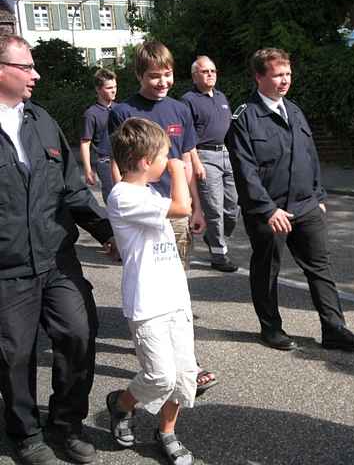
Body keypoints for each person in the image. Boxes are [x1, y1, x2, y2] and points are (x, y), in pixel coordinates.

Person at [0, 34, 116, 465]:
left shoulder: (42, 122)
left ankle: (66, 424)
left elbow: (72, 189)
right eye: (26, 67)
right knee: (15, 354)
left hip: (55, 257)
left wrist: (106, 232)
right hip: (7, 266)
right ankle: (26, 433)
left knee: (79, 333)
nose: (36, 74)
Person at [226, 48, 354, 351]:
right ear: (259, 77)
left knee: (320, 268)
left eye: (288, 74)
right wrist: (267, 210)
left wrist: (318, 196)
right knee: (267, 270)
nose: (285, 80)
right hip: (269, 211)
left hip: (306, 206)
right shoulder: (245, 118)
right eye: (278, 75)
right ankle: (271, 328)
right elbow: (245, 171)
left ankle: (334, 329)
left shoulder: (294, 110)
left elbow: (310, 156)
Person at [108, 40, 217, 397]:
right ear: (139, 74)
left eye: (167, 74)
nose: (162, 82)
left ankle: (187, 359)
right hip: (142, 210)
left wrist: (197, 207)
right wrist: (122, 209)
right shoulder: (123, 110)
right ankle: (150, 349)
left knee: (175, 276)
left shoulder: (180, 108)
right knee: (147, 274)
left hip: (179, 206)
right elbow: (116, 163)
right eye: (154, 76)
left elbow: (188, 158)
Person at [106, 117, 198, 465]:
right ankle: (121, 403)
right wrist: (179, 170)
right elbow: (181, 208)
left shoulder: (146, 193)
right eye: (163, 154)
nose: (168, 158)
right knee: (159, 376)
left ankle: (167, 433)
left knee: (184, 376)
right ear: (146, 161)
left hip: (175, 299)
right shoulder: (123, 195)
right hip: (148, 305)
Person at [181, 55, 239, 272]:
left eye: (213, 71)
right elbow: (187, 136)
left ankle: (214, 237)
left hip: (224, 153)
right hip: (203, 156)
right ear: (195, 76)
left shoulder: (221, 97)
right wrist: (195, 162)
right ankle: (219, 255)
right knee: (214, 208)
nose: (211, 74)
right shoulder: (188, 100)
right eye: (205, 71)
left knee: (233, 206)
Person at [79, 68, 117, 203]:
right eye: (109, 88)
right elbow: (85, 143)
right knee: (113, 200)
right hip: (105, 162)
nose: (114, 90)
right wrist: (88, 169)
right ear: (98, 89)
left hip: (123, 161)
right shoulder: (91, 114)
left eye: (115, 86)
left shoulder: (119, 109)